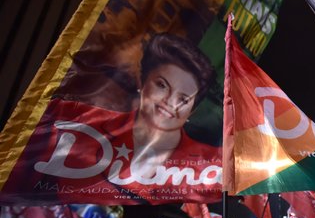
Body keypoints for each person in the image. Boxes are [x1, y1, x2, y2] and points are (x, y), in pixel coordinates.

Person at [2, 33, 220, 203]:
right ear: (142, 83)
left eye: (184, 98)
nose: (170, 103)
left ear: (192, 110)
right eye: (162, 85)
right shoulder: (76, 123)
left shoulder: (210, 164)